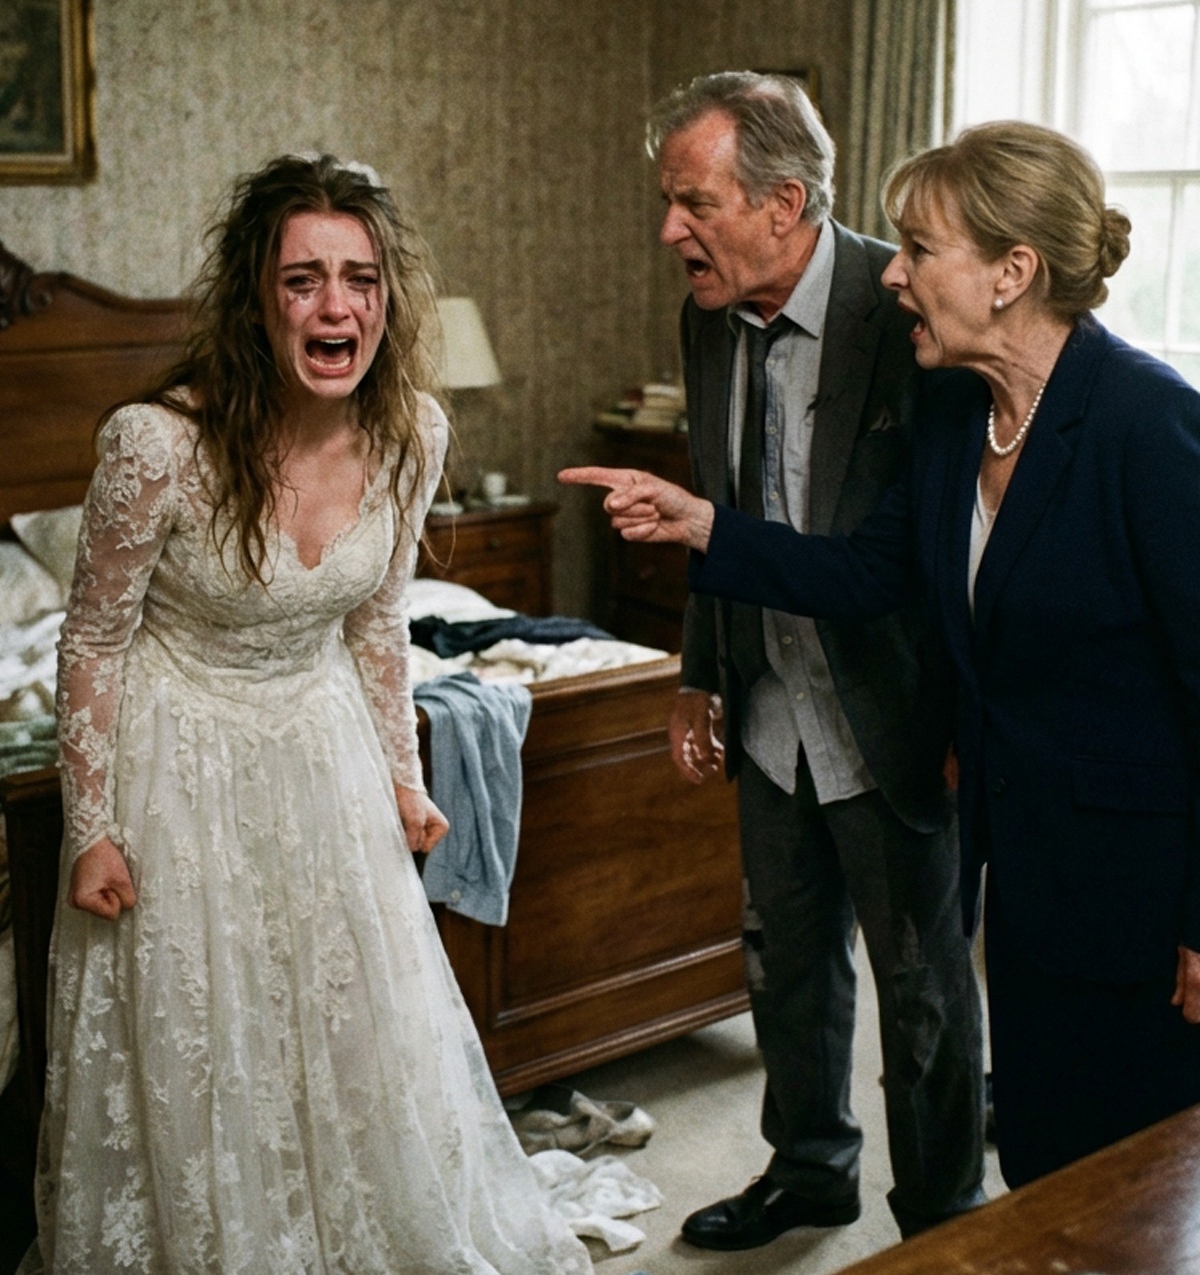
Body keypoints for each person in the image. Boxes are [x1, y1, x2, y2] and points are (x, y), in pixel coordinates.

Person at [563, 119, 1200, 1192]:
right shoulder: (958, 415)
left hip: (1140, 894)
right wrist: (701, 525)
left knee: (1140, 1189)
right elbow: (866, 573)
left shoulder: (1152, 425)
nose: (893, 274)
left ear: (1011, 274)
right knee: (1042, 1167)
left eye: (919, 249)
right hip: (1023, 880)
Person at [25, 154, 592, 1274]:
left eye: (360, 279)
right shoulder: (156, 444)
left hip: (323, 745)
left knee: (352, 1021)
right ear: (256, 302)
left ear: (387, 298)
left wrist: (405, 778)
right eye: (303, 281)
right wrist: (91, 827)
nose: (337, 306)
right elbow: (91, 639)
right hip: (180, 759)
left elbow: (377, 620)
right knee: (215, 1034)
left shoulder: (414, 433)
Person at [578, 71, 986, 1247]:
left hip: (891, 713)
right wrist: (698, 673)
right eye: (668, 202)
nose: (671, 231)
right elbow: (718, 501)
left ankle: (946, 1215)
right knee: (786, 963)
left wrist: (965, 722)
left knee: (921, 989)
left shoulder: (906, 308)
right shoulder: (704, 316)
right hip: (769, 707)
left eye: (694, 203)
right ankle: (810, 1172)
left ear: (784, 202)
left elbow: (927, 556)